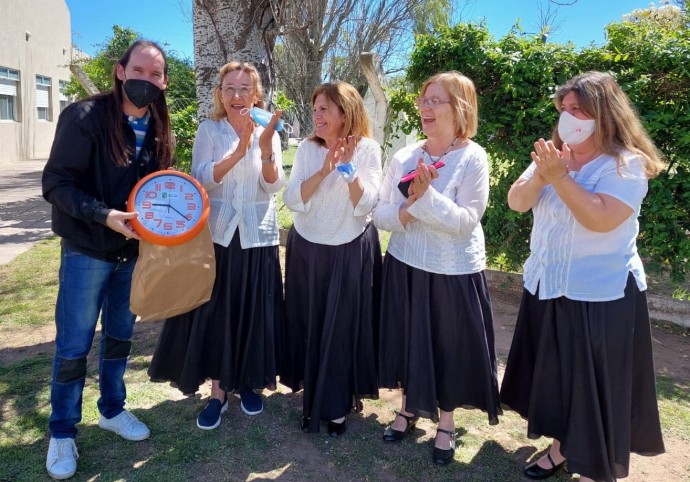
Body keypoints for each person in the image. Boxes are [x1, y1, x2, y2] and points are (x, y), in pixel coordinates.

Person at [500, 71, 666, 482]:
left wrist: (560, 177)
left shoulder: (626, 164)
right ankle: (560, 449)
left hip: (601, 293)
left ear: (603, 114)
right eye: (564, 109)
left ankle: (594, 467)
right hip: (550, 284)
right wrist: (544, 173)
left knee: (595, 387)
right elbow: (517, 201)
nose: (568, 117)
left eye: (578, 110)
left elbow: (600, 218)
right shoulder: (554, 154)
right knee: (558, 377)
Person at [41, 40, 174, 480]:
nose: (146, 81)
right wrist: (105, 216)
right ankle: (62, 431)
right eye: (139, 70)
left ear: (164, 82)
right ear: (120, 71)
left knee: (119, 335)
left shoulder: (158, 127)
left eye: (155, 75)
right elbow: (57, 184)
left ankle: (112, 409)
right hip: (86, 250)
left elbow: (155, 189)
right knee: (74, 344)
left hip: (131, 254)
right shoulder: (84, 117)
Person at [147, 61, 285, 430]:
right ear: (220, 94)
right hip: (219, 236)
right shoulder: (210, 128)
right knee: (218, 313)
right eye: (230, 88)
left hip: (258, 234)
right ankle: (218, 392)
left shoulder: (269, 128)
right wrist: (239, 151)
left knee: (254, 310)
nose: (237, 95)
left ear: (256, 94)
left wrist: (265, 148)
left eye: (244, 89)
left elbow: (273, 186)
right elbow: (202, 180)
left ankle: (251, 383)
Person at [373, 71, 501, 465]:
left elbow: (466, 220)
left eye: (435, 101)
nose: (425, 107)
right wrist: (411, 207)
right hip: (406, 263)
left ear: (459, 107)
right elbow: (380, 215)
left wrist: (424, 198)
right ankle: (408, 409)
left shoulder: (473, 157)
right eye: (423, 100)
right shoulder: (405, 156)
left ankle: (445, 422)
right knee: (410, 339)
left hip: (453, 271)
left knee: (448, 347)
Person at [280, 81, 383, 436]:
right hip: (307, 247)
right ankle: (314, 389)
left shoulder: (368, 150)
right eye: (315, 109)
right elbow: (293, 199)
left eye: (324, 109)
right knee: (309, 322)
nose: (317, 115)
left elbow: (367, 205)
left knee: (340, 328)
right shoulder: (309, 150)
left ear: (345, 112)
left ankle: (336, 403)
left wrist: (347, 168)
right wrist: (324, 169)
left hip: (349, 247)